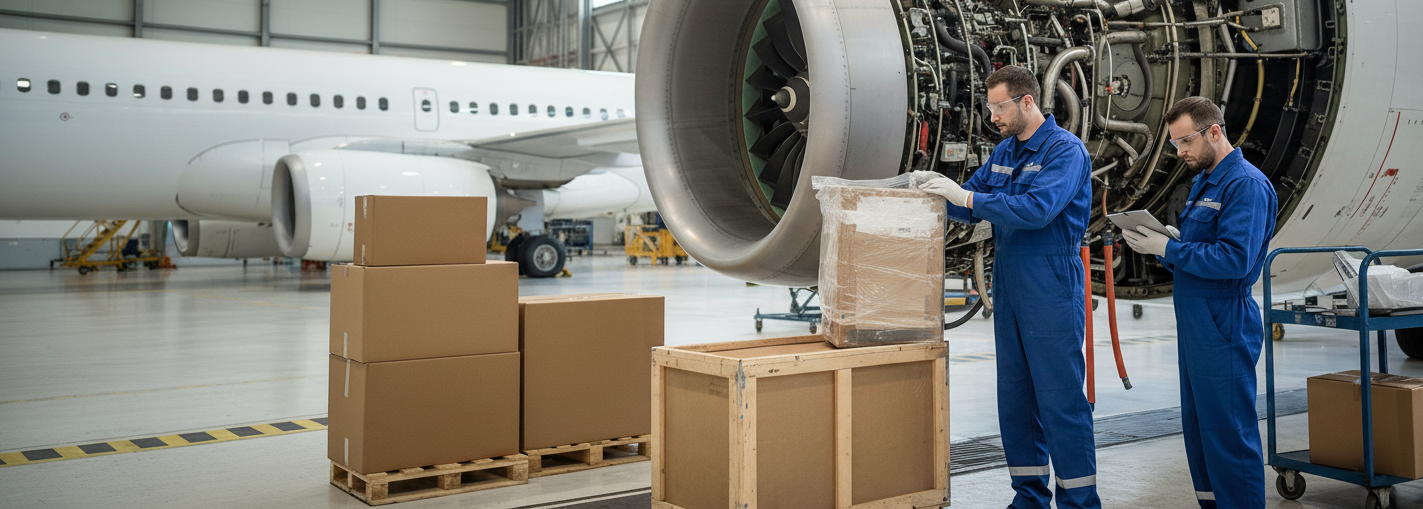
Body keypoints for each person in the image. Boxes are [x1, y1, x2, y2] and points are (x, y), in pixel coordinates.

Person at [917, 65, 1098, 509]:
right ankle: (1029, 498)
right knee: (1015, 400)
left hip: (1051, 284)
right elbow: (970, 204)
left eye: (999, 108)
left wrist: (966, 198)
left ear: (1027, 102)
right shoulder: (1004, 152)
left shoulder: (1064, 152)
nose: (993, 116)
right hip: (1012, 283)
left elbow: (1036, 209)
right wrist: (932, 193)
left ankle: (1079, 501)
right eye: (990, 107)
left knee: (1060, 401)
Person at [1121, 96, 1277, 509]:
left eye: (1185, 141)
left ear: (1214, 131)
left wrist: (1171, 251)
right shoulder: (1206, 181)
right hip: (1197, 318)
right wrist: (1168, 244)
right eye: (1175, 144)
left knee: (1228, 431)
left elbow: (1234, 259)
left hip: (1224, 318)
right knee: (1200, 429)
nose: (1181, 152)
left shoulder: (1244, 184)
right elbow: (1204, 252)